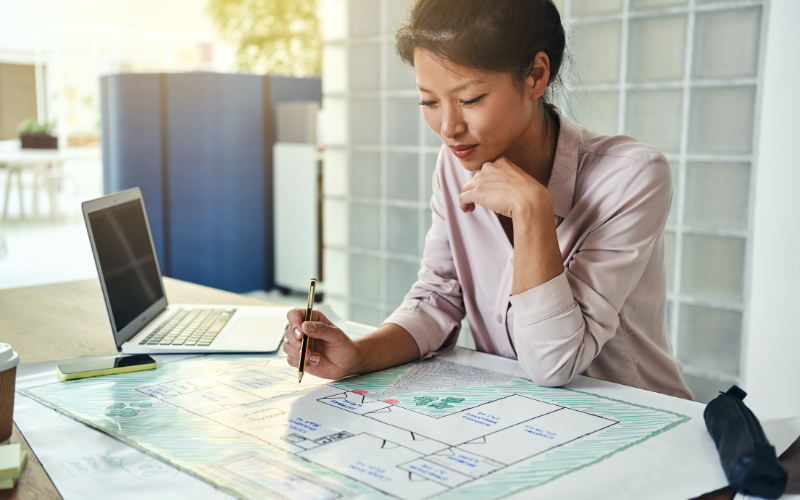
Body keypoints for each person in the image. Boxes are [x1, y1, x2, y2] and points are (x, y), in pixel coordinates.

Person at [283, 0, 693, 400]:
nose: (447, 127)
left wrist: (532, 210)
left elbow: (554, 363)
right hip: (521, 415)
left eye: (470, 99)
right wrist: (358, 355)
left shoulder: (631, 176)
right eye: (428, 101)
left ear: (535, 75)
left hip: (638, 420)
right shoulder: (456, 162)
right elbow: (438, 299)